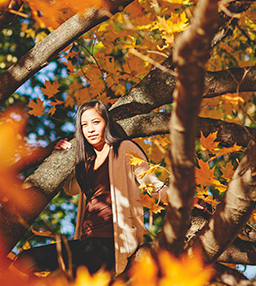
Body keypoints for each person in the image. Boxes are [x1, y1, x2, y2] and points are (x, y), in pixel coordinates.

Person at [18, 101, 164, 275]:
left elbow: (152, 183)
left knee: (63, 281)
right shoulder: (87, 163)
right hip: (86, 241)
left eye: (96, 122)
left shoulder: (124, 149)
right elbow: (71, 189)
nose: (90, 129)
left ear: (106, 123)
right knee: (25, 260)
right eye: (84, 125)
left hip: (111, 242)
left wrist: (185, 201)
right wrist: (59, 154)